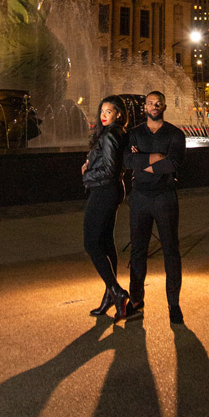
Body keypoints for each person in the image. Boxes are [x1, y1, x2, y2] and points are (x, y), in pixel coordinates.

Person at [126, 90, 187, 323]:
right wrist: (156, 157)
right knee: (138, 251)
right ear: (145, 107)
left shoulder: (175, 134)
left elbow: (173, 163)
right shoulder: (134, 133)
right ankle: (136, 301)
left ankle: (174, 305)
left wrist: (143, 162)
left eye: (158, 103)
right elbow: (128, 160)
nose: (154, 106)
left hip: (165, 197)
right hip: (140, 198)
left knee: (171, 251)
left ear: (164, 106)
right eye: (150, 103)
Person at [81, 95, 131, 321]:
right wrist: (92, 163)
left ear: (118, 114)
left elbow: (110, 169)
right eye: (102, 111)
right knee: (105, 241)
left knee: (91, 243)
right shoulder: (115, 132)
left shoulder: (111, 134)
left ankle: (116, 291)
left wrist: (87, 173)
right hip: (110, 190)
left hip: (104, 191)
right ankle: (110, 295)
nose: (103, 115)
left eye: (108, 111)